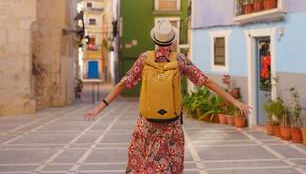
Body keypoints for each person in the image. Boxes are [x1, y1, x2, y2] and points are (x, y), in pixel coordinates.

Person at [83, 20, 252, 174]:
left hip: (147, 126)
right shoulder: (180, 60)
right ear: (173, 41)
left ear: (154, 40)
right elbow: (206, 82)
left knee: (147, 166)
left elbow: (122, 84)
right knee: (169, 167)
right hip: (172, 128)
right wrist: (234, 101)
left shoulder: (144, 59)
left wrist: (101, 106)